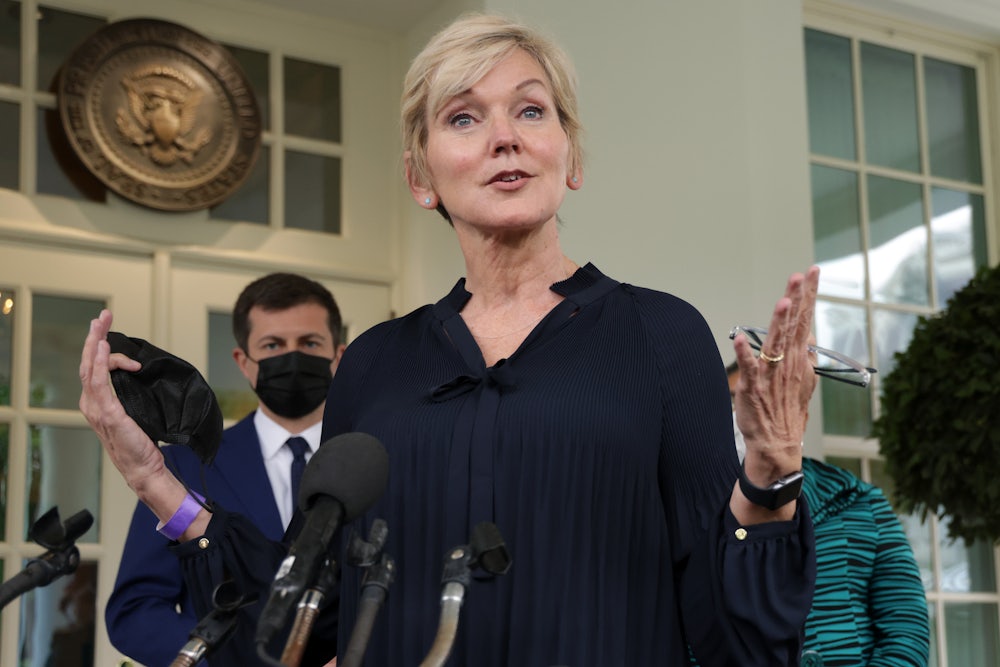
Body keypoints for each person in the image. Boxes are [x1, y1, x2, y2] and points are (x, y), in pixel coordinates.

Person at [79, 13, 819, 667]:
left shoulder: (661, 335)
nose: (505, 137)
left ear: (572, 156)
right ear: (420, 174)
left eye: (531, 110)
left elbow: (739, 636)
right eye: (464, 118)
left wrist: (773, 473)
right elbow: (302, 619)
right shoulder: (373, 361)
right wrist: (158, 483)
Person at [103, 272, 345, 667]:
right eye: (273, 345)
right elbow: (136, 609)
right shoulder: (183, 465)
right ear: (244, 362)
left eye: (309, 343)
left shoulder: (375, 465)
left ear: (338, 356)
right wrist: (223, 657)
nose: (292, 357)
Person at [726, 364, 930, 666]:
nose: (753, 413)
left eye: (770, 400)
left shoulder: (860, 501)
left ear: (799, 413)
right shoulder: (697, 512)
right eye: (736, 400)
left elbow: (907, 630)